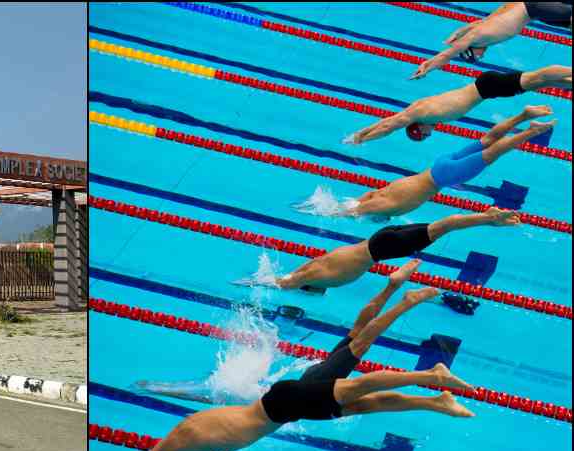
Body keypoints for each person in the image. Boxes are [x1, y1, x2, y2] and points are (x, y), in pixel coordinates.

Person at [90, 289, 473, 451]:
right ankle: (434, 399)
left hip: (281, 405)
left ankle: (431, 378)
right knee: (363, 398)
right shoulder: (195, 440)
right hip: (285, 403)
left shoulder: (179, 442)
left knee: (360, 384)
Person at [140, 259, 429, 406]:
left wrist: (167, 389)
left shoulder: (259, 405)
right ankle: (394, 289)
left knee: (361, 338)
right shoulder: (256, 398)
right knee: (359, 335)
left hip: (320, 380)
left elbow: (205, 397)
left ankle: (399, 296)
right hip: (317, 378)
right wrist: (165, 389)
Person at [341, 106, 555, 221]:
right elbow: (364, 200)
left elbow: (361, 208)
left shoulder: (389, 206)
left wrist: (342, 213)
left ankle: (531, 130)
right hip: (439, 165)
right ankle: (522, 115)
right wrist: (349, 208)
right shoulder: (379, 194)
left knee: (490, 154)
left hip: (444, 177)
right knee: (487, 140)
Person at [273, 207, 519, 292]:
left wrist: (273, 283)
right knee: (446, 225)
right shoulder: (321, 268)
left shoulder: (331, 278)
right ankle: (492, 219)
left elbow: (298, 279)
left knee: (448, 224)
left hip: (386, 247)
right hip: (379, 239)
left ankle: (491, 218)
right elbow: (300, 273)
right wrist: (283, 279)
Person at [344, 65, 570, 144]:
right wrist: (360, 133)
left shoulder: (420, 113)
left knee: (537, 78)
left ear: (418, 128)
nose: (429, 135)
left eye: (424, 135)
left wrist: (362, 140)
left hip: (486, 87)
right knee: (538, 82)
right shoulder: (418, 111)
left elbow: (389, 127)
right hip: (486, 88)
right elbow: (389, 121)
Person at [411, 2, 573, 79]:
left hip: (534, 8)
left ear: (470, 50)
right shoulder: (483, 32)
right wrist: (461, 30)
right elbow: (480, 22)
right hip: (535, 11)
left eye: (476, 57)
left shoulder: (478, 37)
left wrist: (427, 67)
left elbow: (446, 55)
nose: (481, 57)